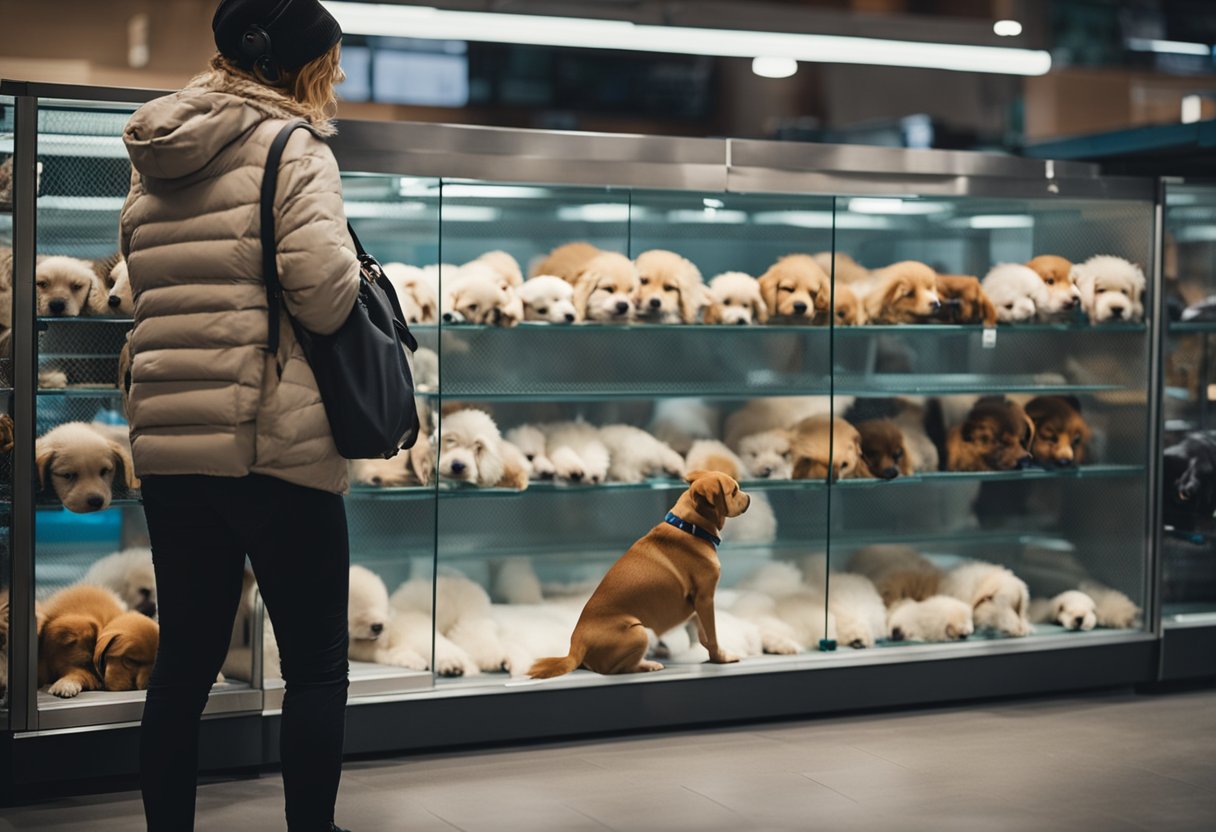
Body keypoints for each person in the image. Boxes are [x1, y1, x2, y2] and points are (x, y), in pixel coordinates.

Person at [120, 1, 357, 829]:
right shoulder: (294, 148)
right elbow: (325, 299)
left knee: (182, 663)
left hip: (172, 445)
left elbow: (139, 289)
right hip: (273, 443)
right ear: (297, 63)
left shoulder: (157, 153)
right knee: (318, 665)